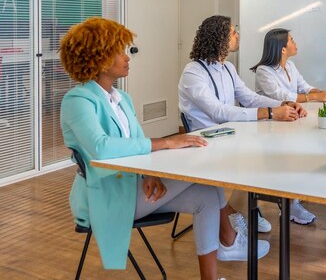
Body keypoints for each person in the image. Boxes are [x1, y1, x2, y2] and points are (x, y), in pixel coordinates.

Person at [59, 18, 258, 280]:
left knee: (208, 194)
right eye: (120, 51)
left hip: (132, 186)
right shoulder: (77, 100)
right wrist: (165, 142)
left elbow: (137, 144)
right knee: (202, 172)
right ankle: (230, 242)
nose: (127, 57)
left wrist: (150, 174)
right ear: (99, 58)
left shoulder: (122, 98)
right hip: (106, 197)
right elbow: (102, 147)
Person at [179, 16, 307, 234]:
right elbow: (217, 111)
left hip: (230, 134)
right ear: (219, 38)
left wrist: (284, 104)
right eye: (232, 32)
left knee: (273, 149)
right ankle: (234, 209)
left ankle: (242, 207)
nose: (237, 35)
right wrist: (269, 113)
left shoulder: (227, 67)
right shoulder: (194, 72)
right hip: (206, 140)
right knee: (258, 159)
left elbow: (249, 97)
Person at [251, 28, 326, 225]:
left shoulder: (291, 66)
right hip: (269, 128)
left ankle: (295, 197)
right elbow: (282, 96)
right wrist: (314, 97)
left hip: (290, 122)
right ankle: (290, 204)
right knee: (294, 154)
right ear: (282, 48)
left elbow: (304, 87)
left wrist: (322, 92)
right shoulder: (264, 71)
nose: (295, 43)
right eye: (292, 40)